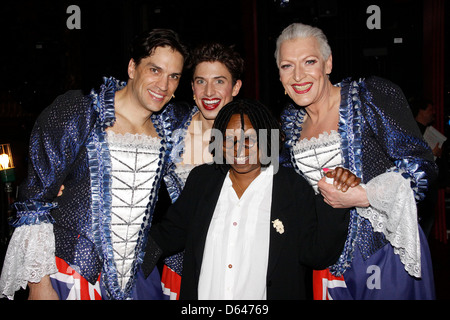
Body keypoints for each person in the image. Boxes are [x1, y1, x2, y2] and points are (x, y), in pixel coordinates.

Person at [0, 29, 190, 300]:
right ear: (132, 67)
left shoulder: (172, 125)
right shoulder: (81, 110)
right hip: (74, 271)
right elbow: (34, 201)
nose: (164, 85)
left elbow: (215, 120)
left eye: (174, 76)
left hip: (138, 280)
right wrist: (39, 285)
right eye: (155, 70)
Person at [276, 22, 437, 299]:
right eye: (287, 66)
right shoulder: (289, 122)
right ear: (279, 75)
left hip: (384, 251)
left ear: (328, 64)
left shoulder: (369, 96)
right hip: (325, 259)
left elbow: (422, 166)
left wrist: (365, 195)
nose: (298, 75)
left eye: (309, 61)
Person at [141, 98, 362, 300]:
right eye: (230, 140)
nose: (239, 149)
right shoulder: (202, 181)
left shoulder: (292, 188)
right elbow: (168, 234)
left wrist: (338, 197)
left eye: (250, 139)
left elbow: (317, 254)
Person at [160, 42, 244, 299]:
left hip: (233, 267)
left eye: (219, 81)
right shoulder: (169, 126)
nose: (209, 91)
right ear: (192, 86)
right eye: (200, 81)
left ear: (236, 87)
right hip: (176, 264)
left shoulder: (255, 135)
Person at [410, 96, 449, 238]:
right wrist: (429, 154)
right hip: (417, 186)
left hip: (431, 185)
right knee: (419, 227)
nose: (433, 113)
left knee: (427, 225)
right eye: (430, 109)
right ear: (421, 111)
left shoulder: (430, 132)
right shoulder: (411, 131)